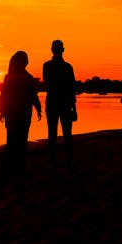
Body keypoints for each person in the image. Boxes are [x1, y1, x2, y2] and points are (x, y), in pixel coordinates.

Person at [0, 50, 42, 180]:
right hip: (20, 114)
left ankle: (11, 169)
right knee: (19, 142)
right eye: (25, 59)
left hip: (16, 114)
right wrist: (38, 108)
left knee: (13, 141)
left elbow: (4, 95)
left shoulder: (15, 77)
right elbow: (32, 96)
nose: (27, 61)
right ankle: (15, 169)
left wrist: (2, 110)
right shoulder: (25, 78)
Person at [43, 39, 77, 173]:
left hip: (60, 103)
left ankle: (63, 162)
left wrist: (74, 108)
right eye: (56, 49)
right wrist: (74, 107)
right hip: (58, 103)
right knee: (57, 134)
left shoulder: (65, 67)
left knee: (60, 134)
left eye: (58, 49)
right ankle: (56, 162)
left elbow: (71, 88)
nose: (57, 51)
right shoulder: (63, 67)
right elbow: (51, 83)